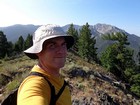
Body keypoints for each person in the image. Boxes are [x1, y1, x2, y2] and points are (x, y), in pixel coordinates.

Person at [17, 24, 74, 105]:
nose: (61, 51)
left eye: (63, 44)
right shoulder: (34, 84)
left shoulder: (55, 78)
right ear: (38, 52)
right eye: (52, 46)